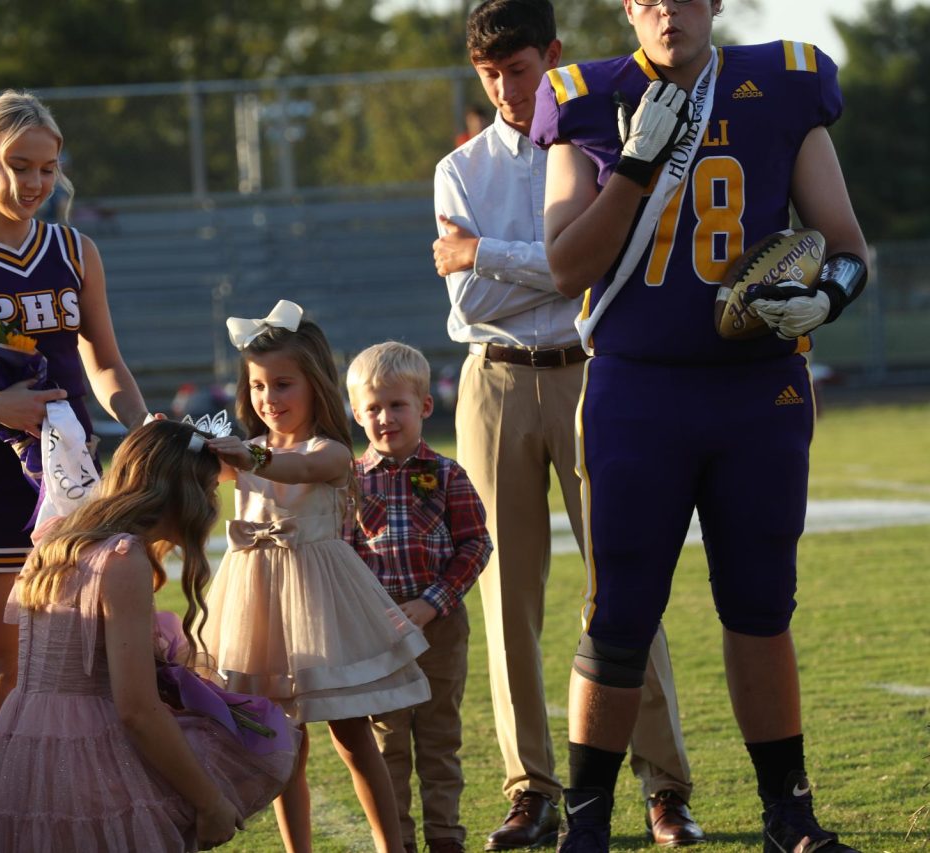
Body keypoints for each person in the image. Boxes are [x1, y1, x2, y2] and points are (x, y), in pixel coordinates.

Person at [532, 1, 870, 850]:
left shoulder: (782, 85)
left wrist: (824, 296)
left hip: (759, 390)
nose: (666, 12)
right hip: (639, 389)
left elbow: (847, 247)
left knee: (761, 605)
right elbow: (565, 262)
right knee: (620, 612)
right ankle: (587, 823)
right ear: (625, 6)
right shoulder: (587, 96)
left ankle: (787, 812)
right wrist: (636, 165)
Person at [432, 1, 702, 848]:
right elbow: (470, 295)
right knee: (507, 594)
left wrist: (504, 255)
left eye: (520, 69)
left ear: (554, 55)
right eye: (491, 76)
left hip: (598, 370)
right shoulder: (459, 169)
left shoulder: (605, 140)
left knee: (626, 582)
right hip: (495, 383)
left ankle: (665, 785)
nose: (509, 90)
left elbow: (602, 263)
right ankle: (531, 788)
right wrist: (553, 264)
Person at [0, 90, 149, 799]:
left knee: (84, 664)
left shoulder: (74, 249)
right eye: (18, 166)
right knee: (1, 670)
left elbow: (103, 362)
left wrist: (145, 425)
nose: (35, 183)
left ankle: (71, 806)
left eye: (47, 168)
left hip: (73, 479)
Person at [0, 419, 299, 852]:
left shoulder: (58, 539)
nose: (210, 504)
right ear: (180, 493)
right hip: (86, 746)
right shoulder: (122, 558)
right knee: (258, 746)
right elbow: (137, 711)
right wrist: (210, 801)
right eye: (207, 490)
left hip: (28, 739)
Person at [200, 300, 430, 853]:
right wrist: (183, 445)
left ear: (314, 385)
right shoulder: (250, 448)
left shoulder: (329, 450)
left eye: (283, 385)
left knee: (352, 736)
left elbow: (299, 469)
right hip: (255, 603)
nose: (268, 399)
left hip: (320, 603)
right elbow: (214, 469)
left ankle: (390, 846)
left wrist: (247, 460)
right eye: (258, 387)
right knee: (284, 743)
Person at [343, 341, 492, 853]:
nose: (385, 418)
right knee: (387, 743)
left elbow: (476, 542)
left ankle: (446, 835)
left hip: (441, 626)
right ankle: (397, 840)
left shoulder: (448, 475)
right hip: (378, 634)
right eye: (373, 408)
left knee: (439, 739)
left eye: (397, 405)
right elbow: (342, 556)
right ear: (356, 414)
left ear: (425, 406)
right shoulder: (349, 483)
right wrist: (371, 614)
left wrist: (434, 602)